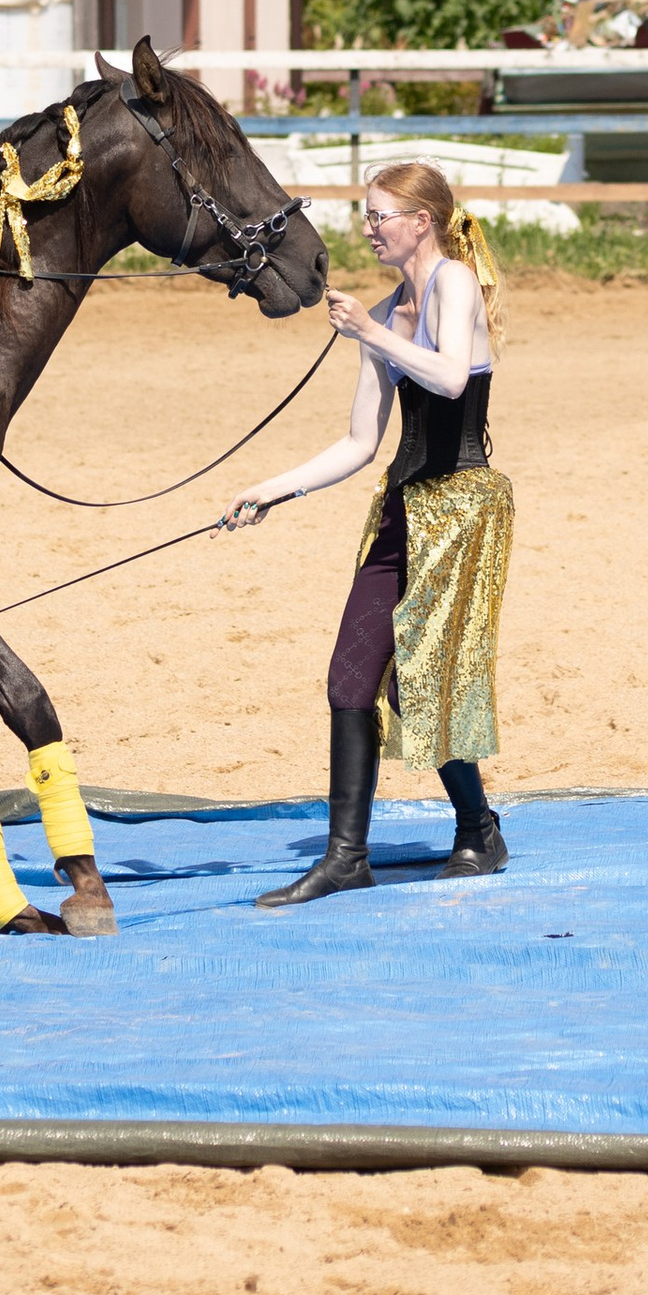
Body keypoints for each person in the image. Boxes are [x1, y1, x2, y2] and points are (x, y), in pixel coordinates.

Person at [222, 159, 513, 906]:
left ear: (422, 222)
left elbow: (450, 379)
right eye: (366, 214)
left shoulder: (451, 282)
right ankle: (346, 856)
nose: (368, 227)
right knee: (353, 678)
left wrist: (368, 334)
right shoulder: (382, 314)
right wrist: (271, 489)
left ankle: (478, 827)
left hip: (462, 506)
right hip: (401, 506)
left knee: (426, 681)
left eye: (379, 214)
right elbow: (359, 444)